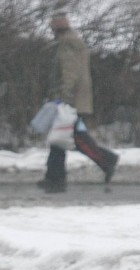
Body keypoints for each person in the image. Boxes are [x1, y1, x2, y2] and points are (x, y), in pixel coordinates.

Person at [39, 10, 119, 193]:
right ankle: (54, 177)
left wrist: (64, 99)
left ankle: (106, 160)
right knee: (61, 138)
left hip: (71, 100)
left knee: (73, 137)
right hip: (74, 99)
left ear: (56, 27)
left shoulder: (68, 43)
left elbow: (70, 73)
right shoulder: (72, 40)